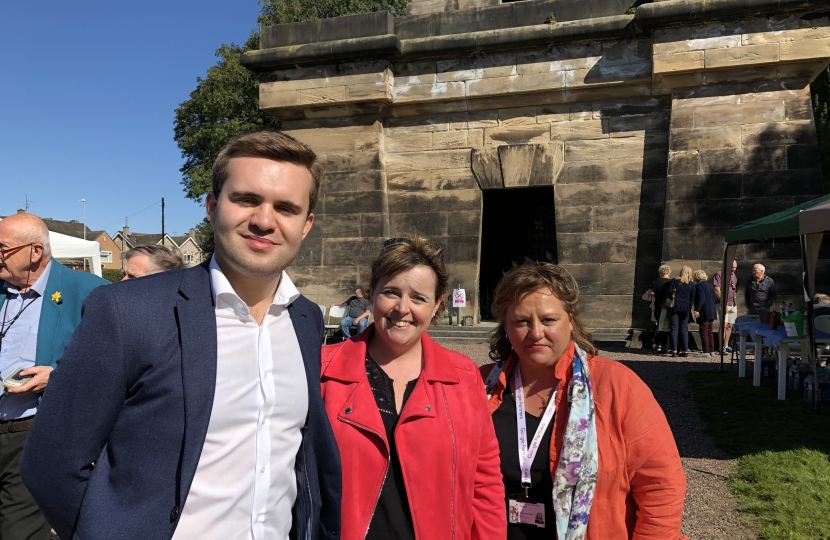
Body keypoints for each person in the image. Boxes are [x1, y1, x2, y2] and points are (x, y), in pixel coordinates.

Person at [20, 131, 341, 540]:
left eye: (286, 208)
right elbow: (50, 464)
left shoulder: (306, 320)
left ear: (306, 224)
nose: (264, 220)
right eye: (246, 200)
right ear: (211, 207)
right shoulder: (128, 311)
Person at [481, 264, 687, 539]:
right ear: (505, 326)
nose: (535, 332)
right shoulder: (478, 386)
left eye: (548, 320)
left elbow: (661, 486)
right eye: (521, 321)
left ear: (571, 320)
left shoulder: (616, 386)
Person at [320, 236, 505, 540]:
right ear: (371, 294)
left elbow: (484, 483)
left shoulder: (463, 377)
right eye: (391, 293)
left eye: (418, 298)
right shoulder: (323, 370)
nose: (402, 308)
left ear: (437, 306)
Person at [0, 212, 107, 540]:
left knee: (19, 531)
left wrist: (58, 377)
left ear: (34, 252)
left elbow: (113, 365)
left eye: (2, 250)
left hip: (32, 436)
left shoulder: (89, 291)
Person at [668, 266, 696, 358]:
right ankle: (684, 350)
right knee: (684, 329)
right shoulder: (691, 284)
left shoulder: (675, 282)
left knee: (674, 329)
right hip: (685, 307)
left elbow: (669, 292)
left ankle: (674, 350)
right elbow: (692, 299)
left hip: (675, 306)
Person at [713, 259, 738, 353]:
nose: (733, 269)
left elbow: (735, 289)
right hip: (724, 304)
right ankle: (720, 346)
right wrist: (724, 303)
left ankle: (726, 345)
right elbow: (717, 290)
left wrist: (735, 303)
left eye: (735, 268)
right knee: (723, 324)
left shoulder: (734, 275)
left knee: (730, 325)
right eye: (732, 267)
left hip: (733, 304)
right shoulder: (719, 274)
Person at [647, 264, 672, 353]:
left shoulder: (657, 281)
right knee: (670, 326)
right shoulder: (672, 281)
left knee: (660, 326)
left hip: (659, 305)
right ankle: (671, 346)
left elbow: (651, 293)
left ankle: (662, 346)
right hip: (670, 306)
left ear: (660, 272)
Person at [693, 270, 718, 358]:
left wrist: (697, 310)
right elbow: (715, 298)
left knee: (703, 330)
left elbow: (701, 298)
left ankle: (706, 351)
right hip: (712, 310)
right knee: (709, 331)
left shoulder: (699, 285)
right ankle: (711, 350)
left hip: (704, 310)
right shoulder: (710, 285)